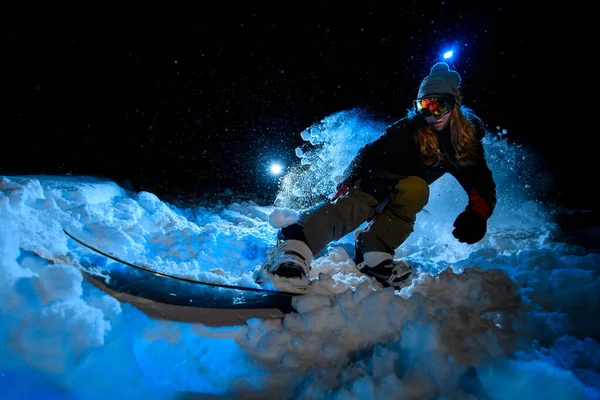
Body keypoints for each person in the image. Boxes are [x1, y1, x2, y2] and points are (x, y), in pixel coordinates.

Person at [255, 62, 497, 292]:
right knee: (353, 207)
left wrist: (478, 213)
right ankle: (295, 244)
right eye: (424, 107)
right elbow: (368, 153)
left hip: (404, 192)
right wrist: (348, 182)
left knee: (417, 190)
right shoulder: (408, 130)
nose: (431, 115)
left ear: (455, 102)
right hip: (375, 181)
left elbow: (480, 180)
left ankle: (374, 250)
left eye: (439, 105)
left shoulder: (464, 143)